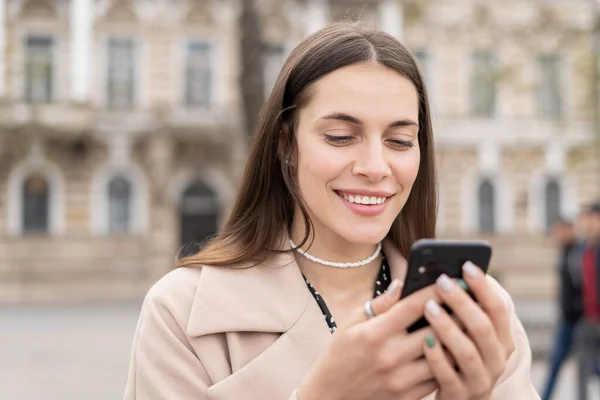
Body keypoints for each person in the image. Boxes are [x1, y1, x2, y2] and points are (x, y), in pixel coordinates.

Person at [123, 21, 539, 400]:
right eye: (341, 136)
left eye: (399, 141)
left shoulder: (476, 311)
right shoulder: (182, 311)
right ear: (286, 144)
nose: (375, 167)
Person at [541, 218, 585, 400]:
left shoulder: (580, 252)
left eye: (559, 232)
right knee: (556, 362)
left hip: (581, 319)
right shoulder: (564, 252)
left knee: (589, 365)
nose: (556, 237)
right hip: (566, 318)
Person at [578, 202, 600, 400]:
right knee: (583, 368)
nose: (586, 223)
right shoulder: (586, 248)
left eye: (590, 218)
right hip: (588, 317)